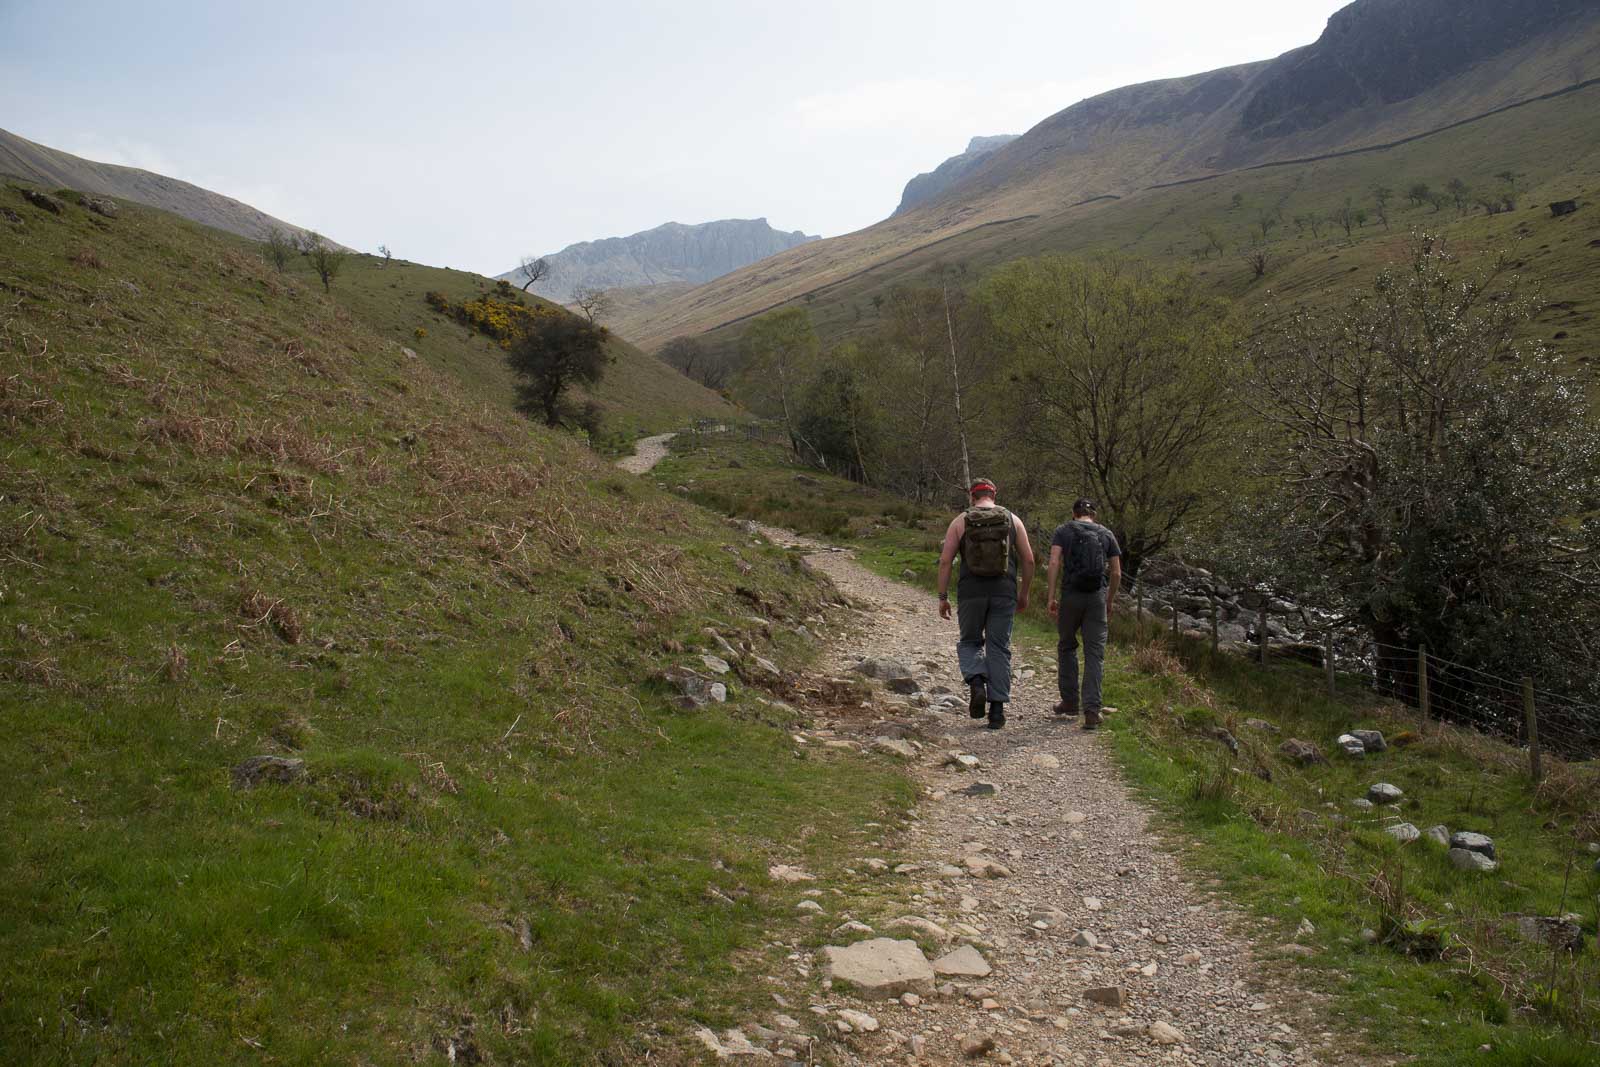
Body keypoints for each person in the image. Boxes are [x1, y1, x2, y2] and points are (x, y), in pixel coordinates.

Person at [936, 478, 1035, 729]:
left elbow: (946, 561)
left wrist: (943, 597)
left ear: (972, 497)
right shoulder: (1013, 519)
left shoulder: (960, 521)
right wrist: (1024, 593)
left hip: (971, 593)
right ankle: (997, 711)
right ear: (994, 494)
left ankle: (977, 682)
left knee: (970, 641)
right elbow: (1029, 561)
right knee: (999, 648)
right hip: (1004, 592)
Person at [1047, 498, 1121, 730]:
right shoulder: (1106, 534)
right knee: (1094, 654)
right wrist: (1109, 600)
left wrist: (1051, 596)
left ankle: (1069, 702)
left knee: (1067, 646)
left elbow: (1054, 562)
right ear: (1094, 514)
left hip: (1070, 596)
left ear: (1073, 513)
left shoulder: (1063, 531)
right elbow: (1117, 573)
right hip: (1096, 597)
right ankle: (1091, 710)